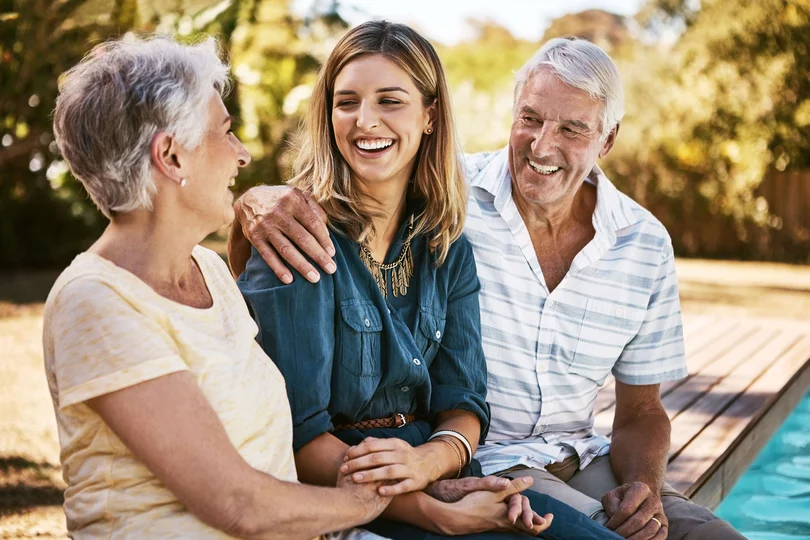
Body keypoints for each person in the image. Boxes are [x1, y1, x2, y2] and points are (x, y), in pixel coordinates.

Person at [228, 35, 747, 540]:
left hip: (569, 456)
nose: (543, 145)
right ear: (512, 114)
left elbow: (640, 410)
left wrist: (642, 488)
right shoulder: (448, 202)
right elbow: (298, 430)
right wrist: (250, 201)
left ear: (607, 140)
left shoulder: (637, 242)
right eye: (531, 119)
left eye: (572, 129)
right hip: (482, 461)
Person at [43, 33, 394, 540]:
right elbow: (238, 504)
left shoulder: (208, 271)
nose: (242, 154)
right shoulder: (94, 301)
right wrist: (363, 502)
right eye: (224, 132)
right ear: (172, 156)